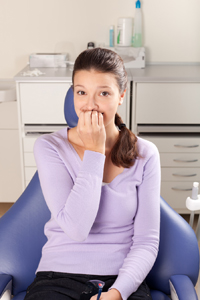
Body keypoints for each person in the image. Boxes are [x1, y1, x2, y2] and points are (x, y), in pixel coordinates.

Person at [24, 48, 161, 300]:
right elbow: (76, 229)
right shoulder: (49, 147)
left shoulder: (146, 154)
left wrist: (117, 292)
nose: (89, 105)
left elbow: (146, 242)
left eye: (104, 93)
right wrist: (95, 152)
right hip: (58, 277)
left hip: (121, 279)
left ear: (121, 95)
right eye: (81, 92)